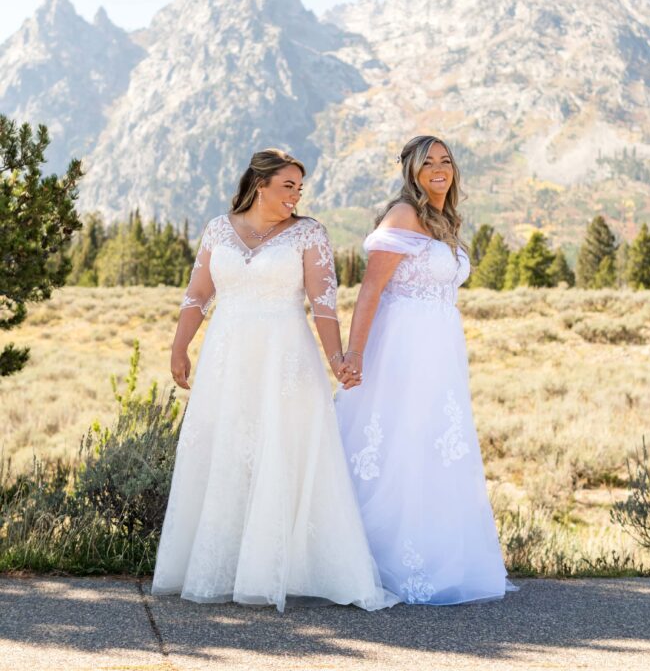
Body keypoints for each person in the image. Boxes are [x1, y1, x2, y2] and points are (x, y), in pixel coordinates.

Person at [152, 148, 396, 612]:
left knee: (281, 454)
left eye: (299, 189)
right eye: (288, 186)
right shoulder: (218, 229)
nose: (296, 196)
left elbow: (323, 303)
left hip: (286, 361)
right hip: (227, 360)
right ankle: (223, 566)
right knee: (226, 453)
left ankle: (281, 569)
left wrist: (337, 358)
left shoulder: (309, 234)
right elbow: (199, 294)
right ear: (259, 184)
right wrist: (179, 346)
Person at [336, 135, 514, 604]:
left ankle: (436, 556)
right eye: (427, 162)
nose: (438, 169)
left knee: (433, 446)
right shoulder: (404, 215)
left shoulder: (445, 219)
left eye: (446, 161)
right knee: (395, 443)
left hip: (440, 350)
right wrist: (354, 354)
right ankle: (373, 557)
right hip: (402, 348)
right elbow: (371, 288)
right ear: (411, 171)